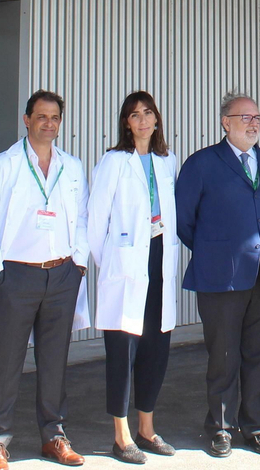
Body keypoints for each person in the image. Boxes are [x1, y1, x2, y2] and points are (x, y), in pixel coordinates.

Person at [0, 90, 90, 469]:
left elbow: (83, 216)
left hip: (62, 275)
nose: (48, 124)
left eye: (54, 117)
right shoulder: (0, 165)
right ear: (26, 119)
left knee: (55, 361)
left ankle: (54, 435)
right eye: (41, 116)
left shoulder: (72, 166)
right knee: (6, 363)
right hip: (15, 275)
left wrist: (79, 264)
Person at [175, 90, 260, 458]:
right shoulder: (203, 163)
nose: (253, 124)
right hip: (221, 277)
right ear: (226, 123)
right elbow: (183, 220)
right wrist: (216, 250)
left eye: (257, 118)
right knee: (224, 355)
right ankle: (221, 427)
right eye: (245, 118)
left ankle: (255, 427)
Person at [89, 91, 181, 463]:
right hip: (126, 265)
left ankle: (147, 428)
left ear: (156, 119)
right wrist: (110, 263)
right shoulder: (114, 161)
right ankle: (121, 434)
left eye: (148, 113)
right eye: (134, 115)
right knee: (123, 350)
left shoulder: (166, 159)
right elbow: (96, 221)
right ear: (126, 122)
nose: (142, 120)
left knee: (155, 348)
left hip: (159, 259)